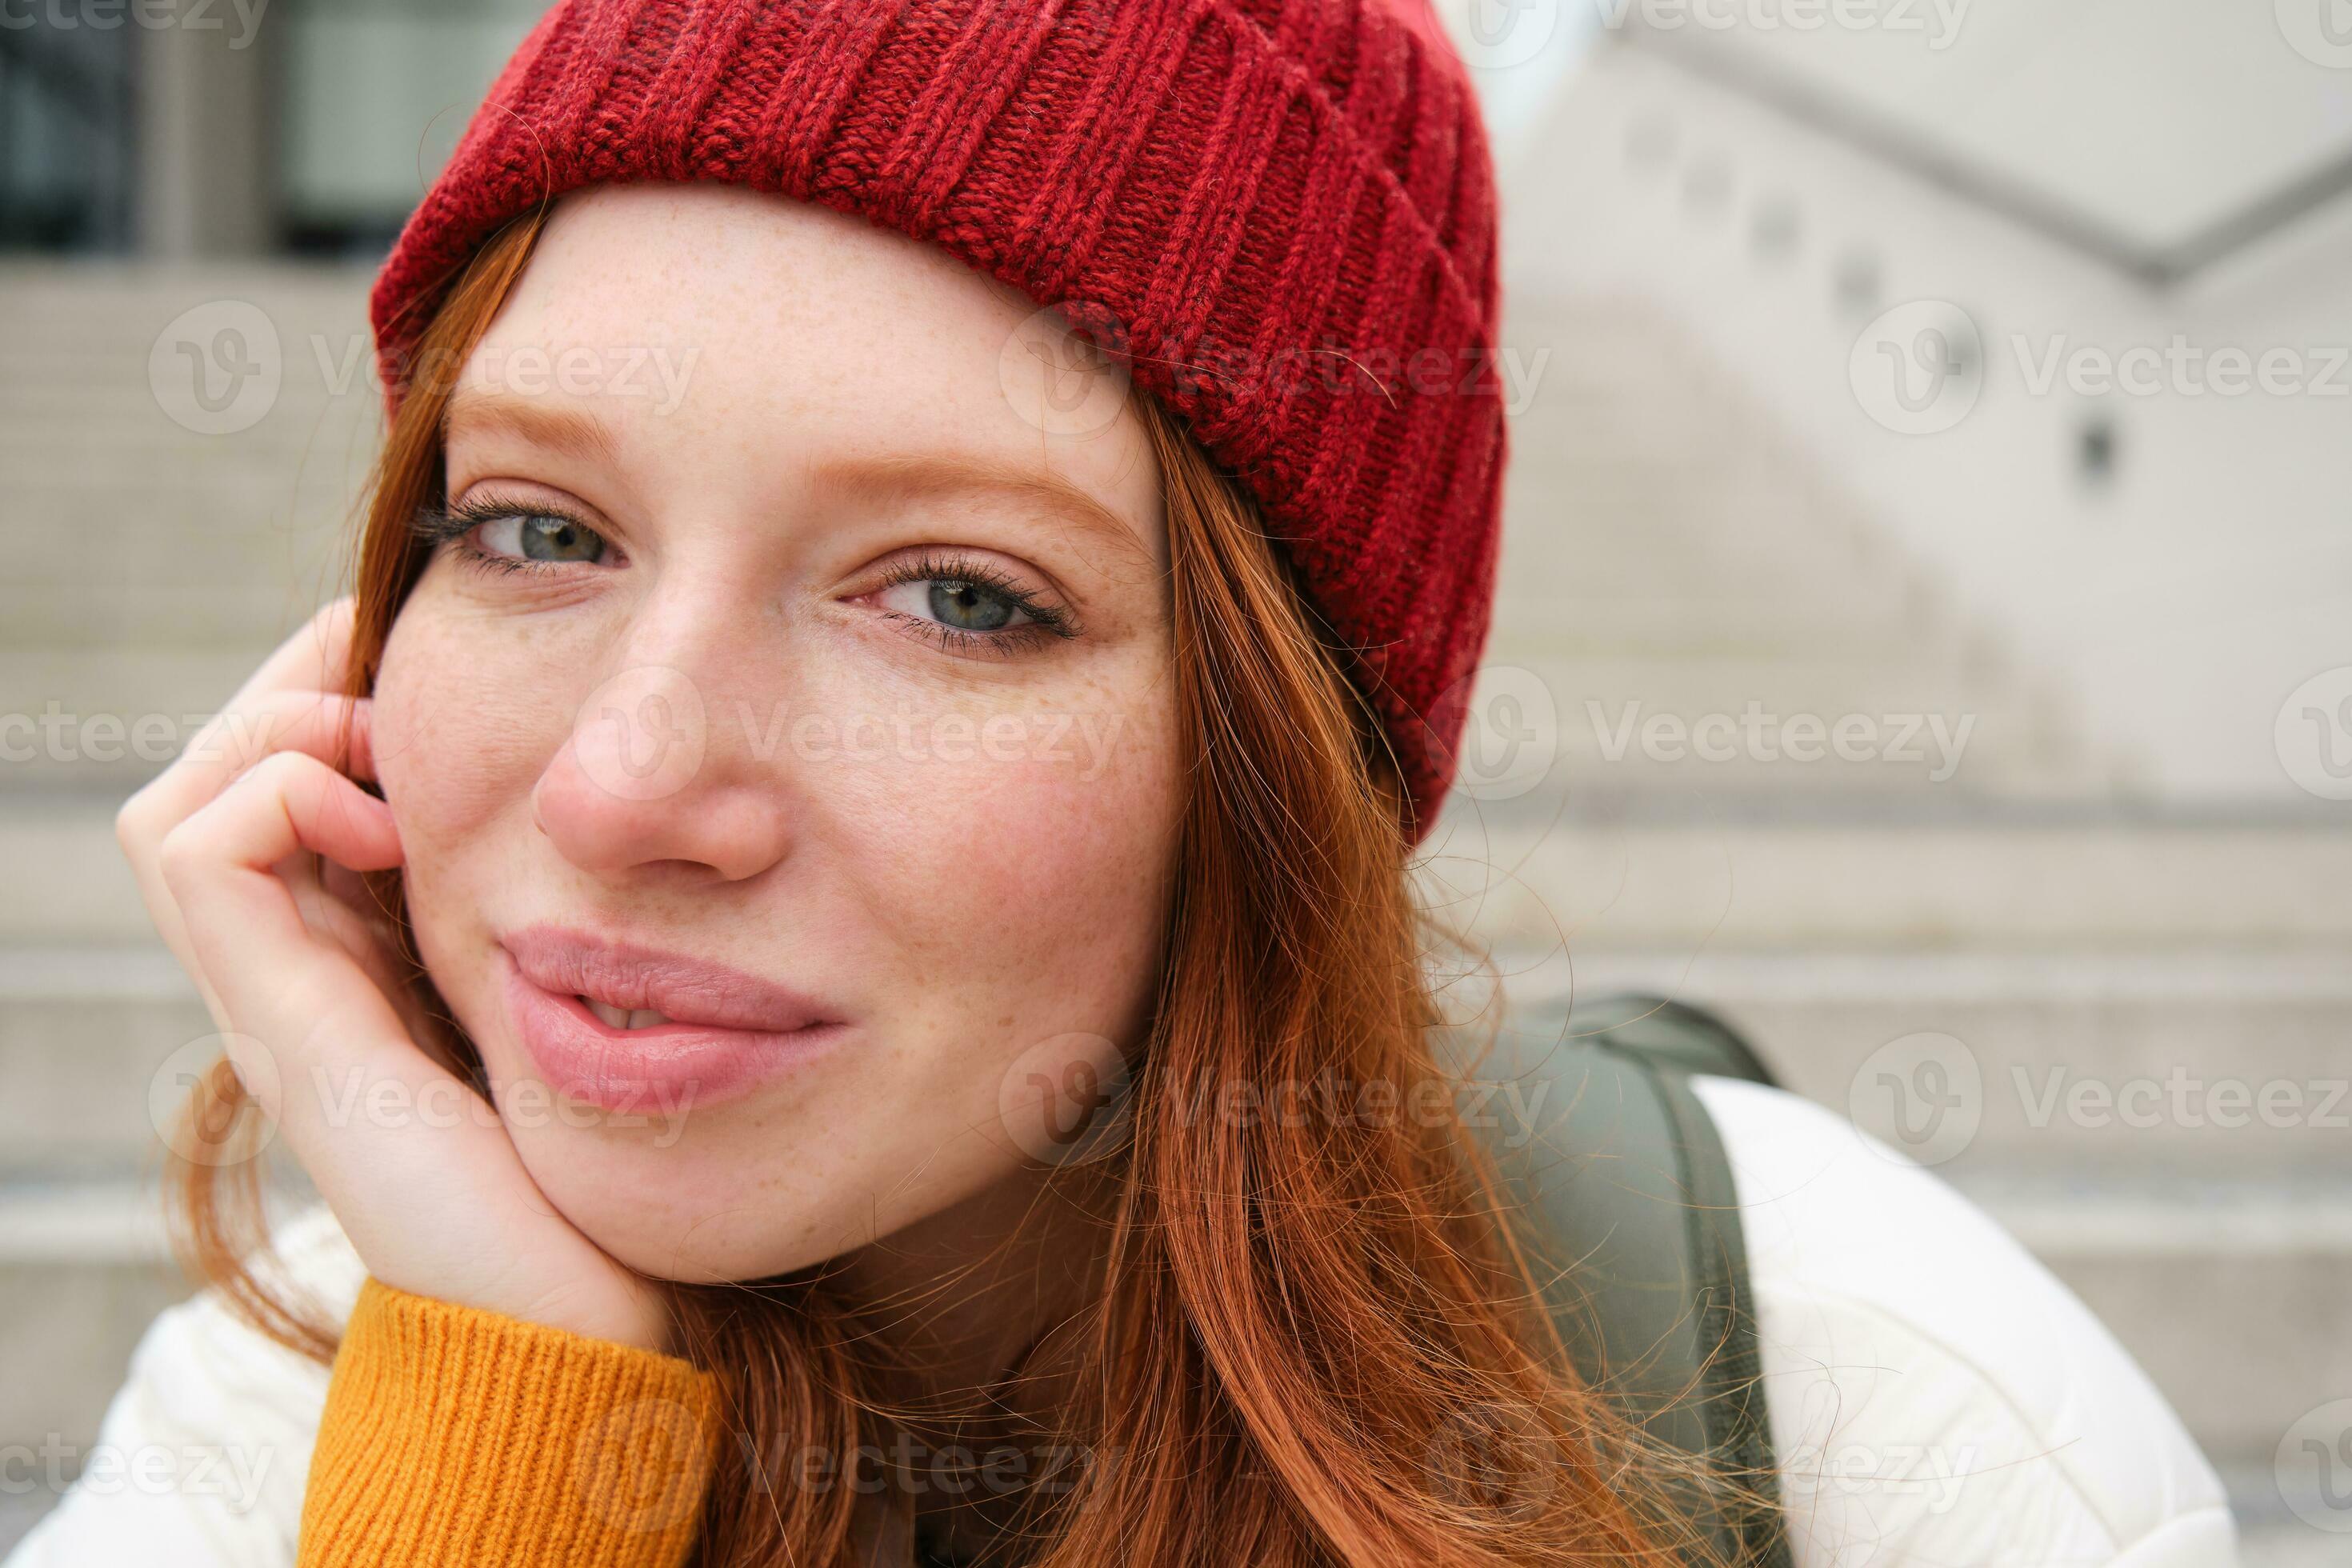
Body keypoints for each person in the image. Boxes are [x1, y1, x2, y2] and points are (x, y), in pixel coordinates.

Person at [18, 2, 2234, 1564]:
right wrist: (514, 1427)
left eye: (960, 598)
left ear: (1277, 768)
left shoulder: (1870, 1410)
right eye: (534, 531)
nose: (622, 789)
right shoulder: (302, 1408)